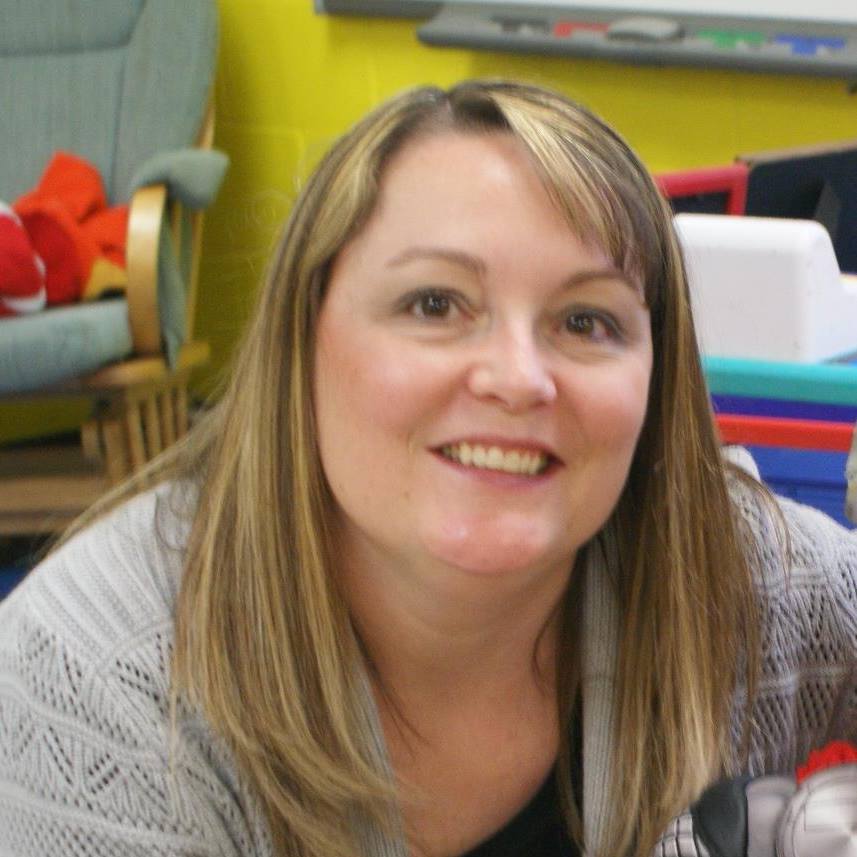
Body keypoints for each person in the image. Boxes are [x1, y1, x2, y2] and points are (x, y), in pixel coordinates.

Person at [1, 79, 856, 857]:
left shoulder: (743, 576)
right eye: (435, 304)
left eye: (585, 321)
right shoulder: (95, 685)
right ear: (303, 344)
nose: (517, 378)